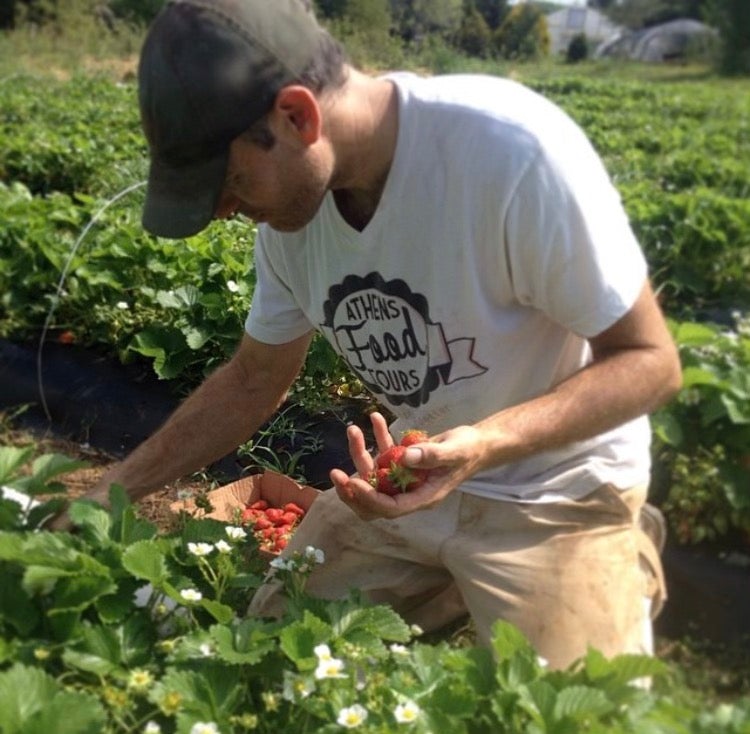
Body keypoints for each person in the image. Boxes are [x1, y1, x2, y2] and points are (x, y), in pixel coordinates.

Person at [72, 0, 682, 669]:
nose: (225, 210)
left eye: (232, 181)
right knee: (272, 657)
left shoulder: (510, 155)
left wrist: (483, 445)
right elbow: (253, 377)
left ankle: (619, 552)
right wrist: (114, 490)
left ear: (298, 117)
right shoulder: (287, 222)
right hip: (411, 491)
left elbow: (651, 362)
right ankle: (449, 582)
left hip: (558, 489)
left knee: (578, 711)